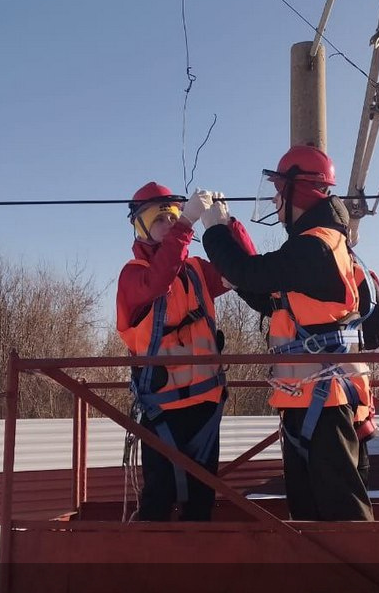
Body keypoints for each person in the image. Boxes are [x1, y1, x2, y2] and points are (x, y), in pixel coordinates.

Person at [200, 145, 379, 521]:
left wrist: (215, 231)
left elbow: (256, 273)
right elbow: (273, 298)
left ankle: (363, 577)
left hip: (325, 400)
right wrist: (232, 237)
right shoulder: (321, 244)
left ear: (298, 191)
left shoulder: (314, 246)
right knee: (310, 510)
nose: (276, 200)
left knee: (340, 511)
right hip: (312, 399)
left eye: (280, 190)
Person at [116, 181, 254, 521]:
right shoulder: (134, 276)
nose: (168, 223)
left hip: (205, 405)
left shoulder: (195, 269)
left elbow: (243, 273)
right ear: (141, 227)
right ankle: (154, 569)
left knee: (201, 497)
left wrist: (227, 227)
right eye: (159, 218)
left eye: (172, 216)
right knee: (158, 497)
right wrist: (186, 224)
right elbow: (160, 280)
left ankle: (198, 566)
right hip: (162, 408)